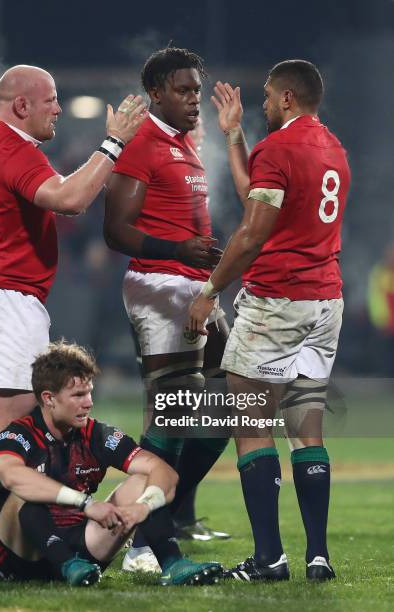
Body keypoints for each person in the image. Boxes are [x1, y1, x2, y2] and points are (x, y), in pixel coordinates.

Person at [0, 64, 147, 571]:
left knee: (13, 427)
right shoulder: (12, 149)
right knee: (15, 431)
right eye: (52, 99)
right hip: (2, 299)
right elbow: (71, 200)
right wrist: (113, 144)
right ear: (21, 105)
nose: (58, 108)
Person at [189, 60, 350, 581]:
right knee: (307, 429)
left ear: (286, 98)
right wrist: (234, 135)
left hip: (277, 301)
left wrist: (211, 289)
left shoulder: (280, 149)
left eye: (264, 96)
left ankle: (269, 558)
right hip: (325, 302)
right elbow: (256, 197)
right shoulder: (332, 150)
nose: (260, 103)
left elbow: (252, 233)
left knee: (252, 427)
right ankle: (318, 556)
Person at [104, 48, 230, 571]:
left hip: (192, 287)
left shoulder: (183, 146)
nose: (194, 99)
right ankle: (144, 543)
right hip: (159, 287)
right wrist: (178, 250)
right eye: (184, 90)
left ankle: (163, 513)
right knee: (173, 414)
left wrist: (202, 256)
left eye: (197, 90)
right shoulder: (143, 147)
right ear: (156, 92)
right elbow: (116, 231)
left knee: (226, 405)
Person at [0, 340, 223, 586]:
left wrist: (144, 506)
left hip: (83, 549)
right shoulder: (19, 434)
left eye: (89, 392)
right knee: (23, 493)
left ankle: (173, 564)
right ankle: (66, 564)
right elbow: (11, 476)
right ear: (49, 398)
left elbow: (163, 472)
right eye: (78, 395)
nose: (89, 402)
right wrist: (85, 502)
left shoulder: (97, 435)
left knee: (145, 481)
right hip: (24, 558)